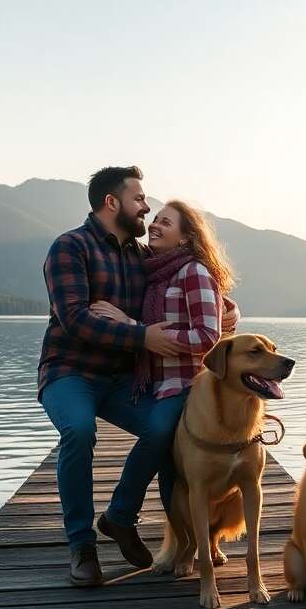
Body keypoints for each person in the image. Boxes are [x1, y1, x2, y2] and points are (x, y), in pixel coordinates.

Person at [37, 166, 237, 586]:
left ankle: (131, 522)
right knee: (78, 430)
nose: (147, 207)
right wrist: (140, 336)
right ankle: (81, 546)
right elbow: (74, 319)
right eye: (140, 199)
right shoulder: (69, 249)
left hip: (125, 379)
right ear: (113, 203)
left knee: (168, 430)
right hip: (69, 371)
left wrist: (228, 311)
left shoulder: (140, 256)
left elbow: (198, 287)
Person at [89, 199, 236, 550]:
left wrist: (138, 329)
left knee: (157, 431)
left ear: (186, 238)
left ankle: (120, 514)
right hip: (157, 385)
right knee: (171, 462)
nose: (155, 225)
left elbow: (208, 336)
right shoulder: (155, 271)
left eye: (166, 223)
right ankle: (186, 545)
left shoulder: (194, 271)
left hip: (189, 386)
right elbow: (221, 311)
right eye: (155, 219)